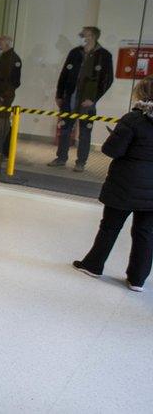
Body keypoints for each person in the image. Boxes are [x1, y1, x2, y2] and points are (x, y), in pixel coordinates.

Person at [73, 77, 153, 292]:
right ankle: (137, 280)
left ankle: (93, 265)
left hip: (125, 184)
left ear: (142, 94)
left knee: (110, 227)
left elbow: (112, 150)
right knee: (146, 233)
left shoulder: (132, 120)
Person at [49, 26, 114, 172]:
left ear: (92, 37)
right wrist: (59, 95)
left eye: (83, 34)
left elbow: (107, 80)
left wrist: (93, 99)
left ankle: (81, 162)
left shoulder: (104, 55)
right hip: (69, 98)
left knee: (85, 132)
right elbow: (64, 74)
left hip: (87, 101)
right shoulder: (74, 53)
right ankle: (61, 158)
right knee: (65, 128)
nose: (80, 36)